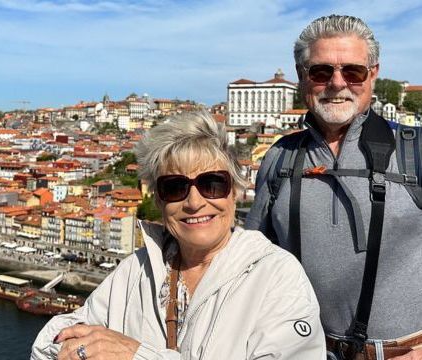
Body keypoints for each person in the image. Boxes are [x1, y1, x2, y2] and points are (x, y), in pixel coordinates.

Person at [30, 112, 326, 360]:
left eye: (212, 183)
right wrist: (81, 348)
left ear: (235, 191)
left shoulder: (276, 276)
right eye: (174, 187)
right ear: (159, 200)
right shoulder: (136, 270)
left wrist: (136, 355)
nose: (194, 202)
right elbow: (46, 347)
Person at [246, 15, 422, 360]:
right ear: (302, 76)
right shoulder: (280, 158)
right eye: (321, 72)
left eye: (353, 71)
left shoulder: (414, 150)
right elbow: (251, 262)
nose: (337, 83)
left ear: (373, 74)